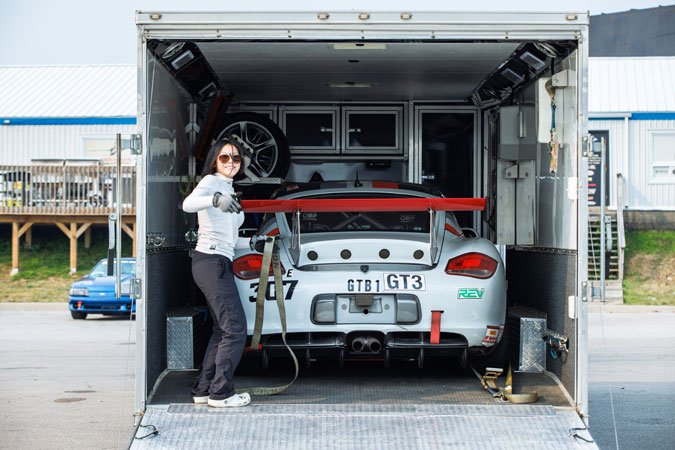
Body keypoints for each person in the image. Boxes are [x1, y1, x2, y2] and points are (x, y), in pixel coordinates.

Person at [182, 136, 250, 408]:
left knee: (222, 331)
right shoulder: (212, 182)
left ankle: (203, 390)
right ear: (214, 161)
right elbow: (187, 204)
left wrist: (255, 243)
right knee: (235, 329)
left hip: (217, 260)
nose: (231, 162)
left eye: (236, 157)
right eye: (224, 157)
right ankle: (221, 394)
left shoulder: (228, 188)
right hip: (211, 261)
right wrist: (215, 199)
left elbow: (229, 238)